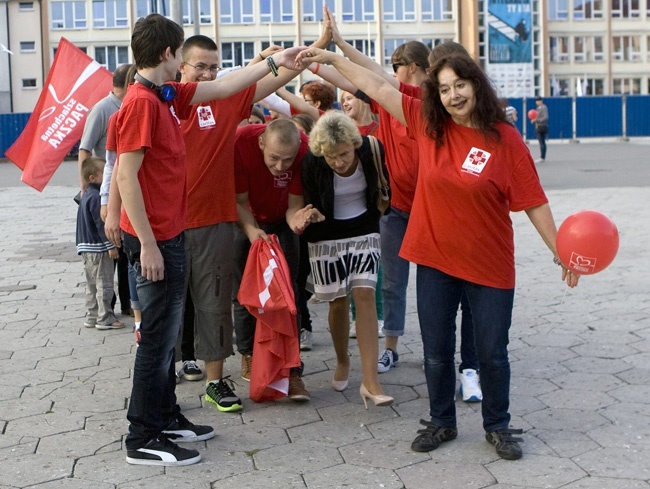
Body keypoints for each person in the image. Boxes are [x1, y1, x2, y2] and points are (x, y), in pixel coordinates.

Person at [298, 40, 579, 461]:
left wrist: (561, 251)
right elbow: (377, 86)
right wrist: (330, 58)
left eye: (460, 85)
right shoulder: (428, 124)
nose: (453, 96)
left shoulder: (505, 138)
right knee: (436, 353)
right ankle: (441, 421)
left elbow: (534, 202)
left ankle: (497, 425)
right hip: (435, 260)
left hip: (489, 263)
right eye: (445, 89)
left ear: (476, 85)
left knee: (492, 353)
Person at [115, 13, 304, 467]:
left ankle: (164, 416)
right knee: (158, 341)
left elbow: (223, 88)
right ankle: (143, 435)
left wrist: (278, 62)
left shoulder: (164, 94)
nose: (188, 62)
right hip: (155, 239)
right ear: (169, 55)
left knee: (165, 336)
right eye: (182, 53)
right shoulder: (142, 102)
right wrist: (147, 244)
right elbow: (126, 175)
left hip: (171, 234)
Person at [176, 35, 324, 412]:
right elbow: (126, 158)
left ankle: (222, 380)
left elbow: (266, 81)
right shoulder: (165, 100)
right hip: (169, 220)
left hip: (214, 220)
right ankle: (159, 381)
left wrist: (301, 57)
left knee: (217, 305)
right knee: (168, 306)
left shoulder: (227, 98)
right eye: (200, 66)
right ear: (180, 65)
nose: (209, 73)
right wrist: (113, 207)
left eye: (214, 67)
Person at [300, 111, 392, 408]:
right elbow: (306, 200)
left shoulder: (371, 148)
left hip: (364, 227)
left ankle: (371, 381)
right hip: (326, 231)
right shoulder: (312, 161)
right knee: (338, 301)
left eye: (344, 154)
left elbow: (384, 184)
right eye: (331, 157)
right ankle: (342, 360)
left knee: (364, 294)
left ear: (355, 144)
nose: (338, 162)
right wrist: (310, 213)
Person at [232, 119, 318, 401]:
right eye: (273, 158)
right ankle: (247, 353)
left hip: (282, 220)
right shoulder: (242, 142)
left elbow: (294, 207)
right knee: (246, 292)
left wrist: (298, 224)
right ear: (261, 144)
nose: (281, 166)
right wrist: (252, 231)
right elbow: (239, 201)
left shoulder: (303, 148)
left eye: (287, 160)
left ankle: (292, 369)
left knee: (289, 294)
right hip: (247, 219)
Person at [80, 64, 133, 317]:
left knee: (123, 254)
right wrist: (87, 192)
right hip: (105, 190)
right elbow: (85, 148)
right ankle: (106, 308)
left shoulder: (128, 106)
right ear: (127, 85)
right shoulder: (103, 109)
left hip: (123, 188)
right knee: (110, 252)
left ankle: (126, 302)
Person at [76, 157, 124, 330]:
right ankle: (105, 318)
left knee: (91, 285)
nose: (108, 176)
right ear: (92, 178)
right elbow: (100, 224)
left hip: (86, 248)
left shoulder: (86, 195)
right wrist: (111, 245)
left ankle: (92, 315)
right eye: (104, 173)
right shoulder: (97, 198)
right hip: (99, 249)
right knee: (105, 283)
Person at [534, 95, 549, 163]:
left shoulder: (543, 108)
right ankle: (542, 156)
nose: (537, 102)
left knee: (542, 142)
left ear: (541, 101)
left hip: (542, 126)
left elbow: (545, 117)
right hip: (538, 126)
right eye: (536, 101)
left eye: (538, 100)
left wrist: (537, 120)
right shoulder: (538, 108)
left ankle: (542, 157)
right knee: (541, 142)